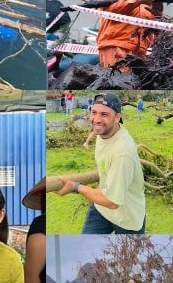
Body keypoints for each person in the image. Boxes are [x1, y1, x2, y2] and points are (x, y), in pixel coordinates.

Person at [54, 93, 146, 234]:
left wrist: (76, 187)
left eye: (104, 114)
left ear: (117, 118)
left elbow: (112, 202)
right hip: (101, 206)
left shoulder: (122, 152)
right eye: (94, 112)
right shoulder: (104, 132)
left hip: (127, 217)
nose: (96, 119)